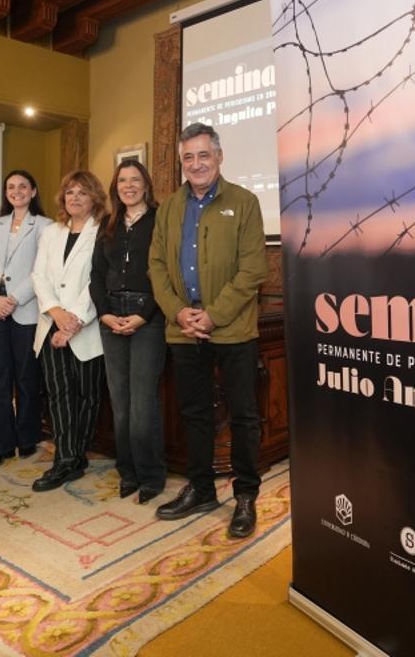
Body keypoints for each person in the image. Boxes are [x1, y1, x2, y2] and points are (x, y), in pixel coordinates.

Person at [150, 122, 267, 538]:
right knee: (194, 414)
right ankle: (200, 489)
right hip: (184, 330)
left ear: (218, 156)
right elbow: (157, 267)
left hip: (232, 329)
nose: (196, 163)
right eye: (188, 157)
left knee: (244, 416)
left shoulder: (245, 202)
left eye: (203, 155)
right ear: (181, 162)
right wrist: (179, 312)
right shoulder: (168, 208)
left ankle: (246, 495)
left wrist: (213, 315)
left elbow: (253, 269)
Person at [91, 159, 166, 503]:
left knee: (142, 401)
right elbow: (96, 274)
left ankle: (151, 474)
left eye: (135, 180)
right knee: (120, 400)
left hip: (148, 315)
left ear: (146, 185)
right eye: (123, 180)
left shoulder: (161, 220)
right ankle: (128, 471)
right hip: (111, 315)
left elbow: (167, 273)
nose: (129, 186)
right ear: (115, 187)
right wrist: (104, 314)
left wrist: (144, 314)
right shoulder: (107, 223)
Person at [31, 170, 107, 491]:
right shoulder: (51, 231)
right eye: (70, 192)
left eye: (82, 192)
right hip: (51, 324)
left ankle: (77, 454)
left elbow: (97, 281)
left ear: (95, 198)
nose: (75, 198)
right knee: (59, 394)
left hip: (86, 328)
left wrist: (73, 320)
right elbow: (38, 276)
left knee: (88, 395)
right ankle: (65, 458)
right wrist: (57, 313)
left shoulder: (103, 232)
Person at [0, 170, 52, 470]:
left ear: (33, 191)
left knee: (27, 378)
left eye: (22, 186)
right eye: (11, 187)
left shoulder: (45, 226)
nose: (16, 191)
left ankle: (27, 438)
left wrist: (14, 299)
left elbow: (41, 270)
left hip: (26, 310)